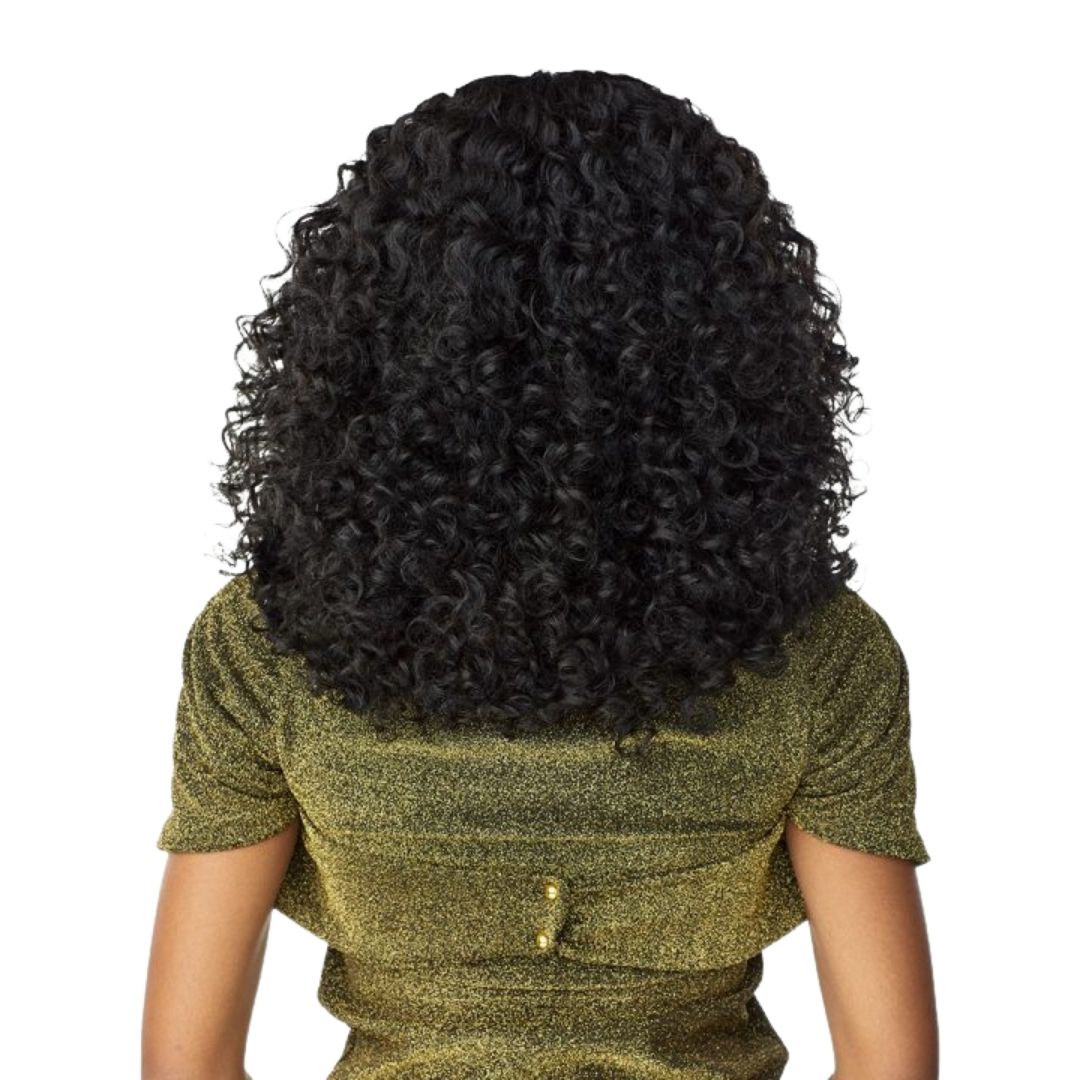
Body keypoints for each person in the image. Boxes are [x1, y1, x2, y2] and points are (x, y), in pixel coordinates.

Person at [142, 69, 937, 1080]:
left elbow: (186, 1062)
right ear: (723, 342)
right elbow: (889, 1064)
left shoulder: (267, 644)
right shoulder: (823, 656)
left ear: (372, 340)